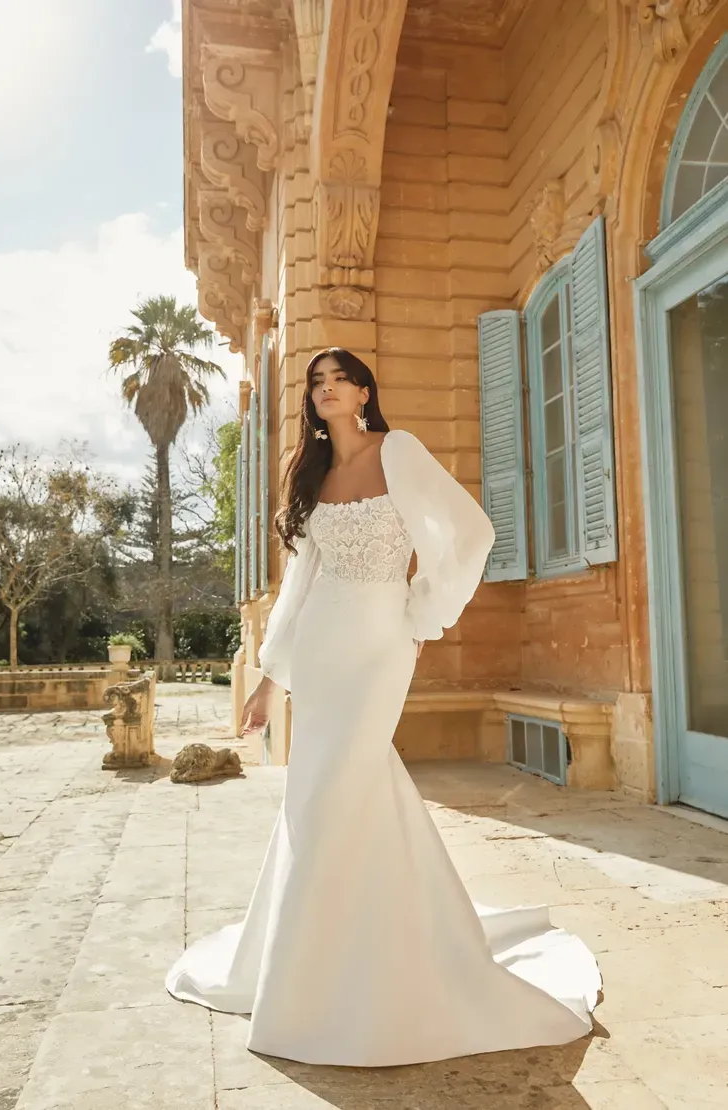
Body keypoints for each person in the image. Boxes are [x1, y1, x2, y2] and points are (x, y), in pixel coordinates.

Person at [165, 347, 601, 1067]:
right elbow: (300, 582)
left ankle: (355, 964)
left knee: (346, 779)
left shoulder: (398, 451)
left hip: (380, 644)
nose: (327, 389)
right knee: (321, 793)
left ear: (365, 391)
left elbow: (471, 532)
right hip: (322, 647)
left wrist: (422, 612)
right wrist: (271, 679)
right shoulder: (312, 473)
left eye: (340, 379)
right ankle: (338, 951)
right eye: (317, 382)